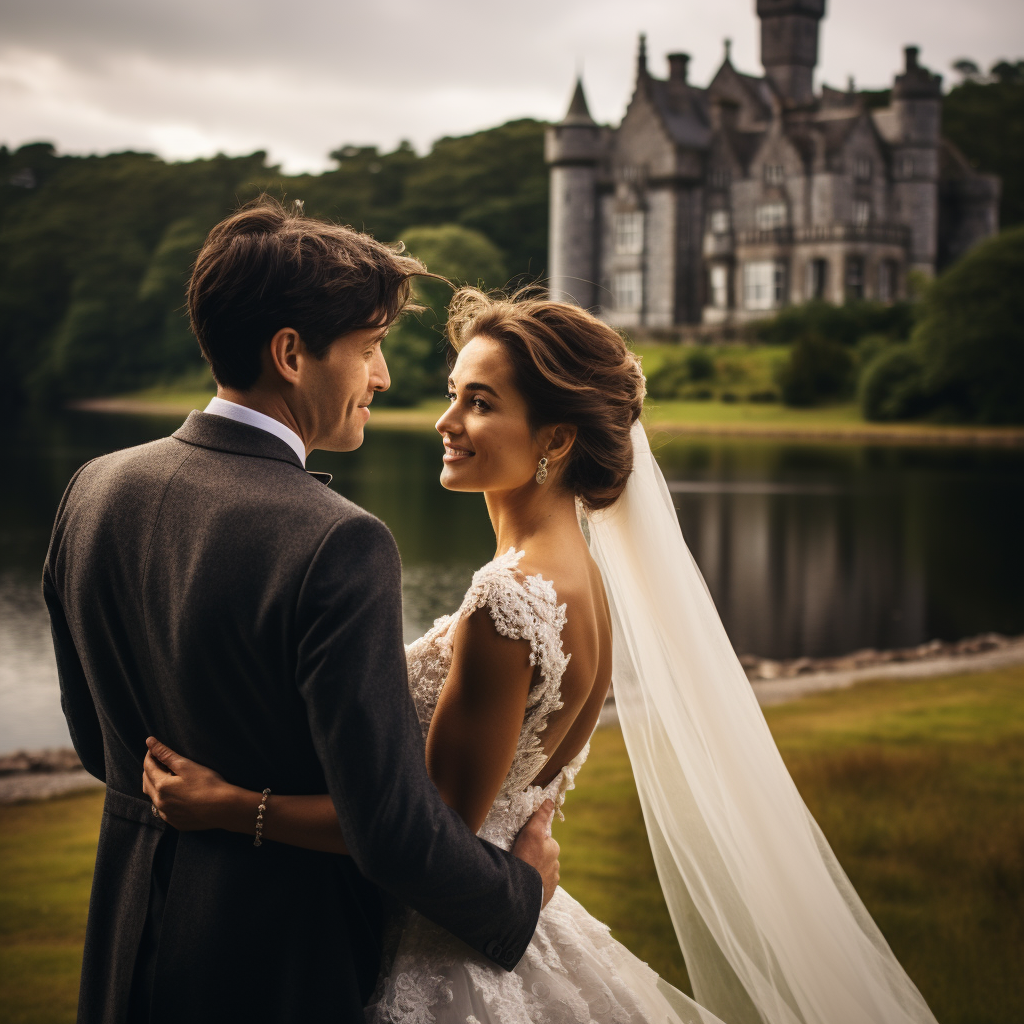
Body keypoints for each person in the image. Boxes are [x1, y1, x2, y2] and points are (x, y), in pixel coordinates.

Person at [146, 289, 941, 1024]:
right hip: (513, 913)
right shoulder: (578, 579)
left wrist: (232, 806)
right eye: (454, 394)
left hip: (445, 949)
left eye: (480, 403)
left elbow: (433, 830)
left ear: (555, 437)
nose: (445, 421)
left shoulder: (508, 603)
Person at [42, 200, 559, 1024]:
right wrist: (517, 890)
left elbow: (98, 743)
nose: (383, 378)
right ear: (291, 354)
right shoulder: (338, 541)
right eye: (369, 347)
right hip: (276, 964)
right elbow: (387, 822)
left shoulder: (93, 489)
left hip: (123, 946)